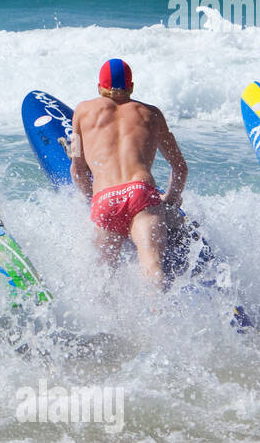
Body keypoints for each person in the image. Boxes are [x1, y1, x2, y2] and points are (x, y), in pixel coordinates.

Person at [70, 59, 187, 289]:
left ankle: (105, 323)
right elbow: (180, 167)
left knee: (103, 278)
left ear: (99, 87)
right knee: (152, 268)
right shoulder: (151, 114)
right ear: (131, 87)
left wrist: (88, 198)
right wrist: (170, 201)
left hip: (105, 199)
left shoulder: (82, 111)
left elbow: (78, 169)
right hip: (140, 193)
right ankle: (159, 318)